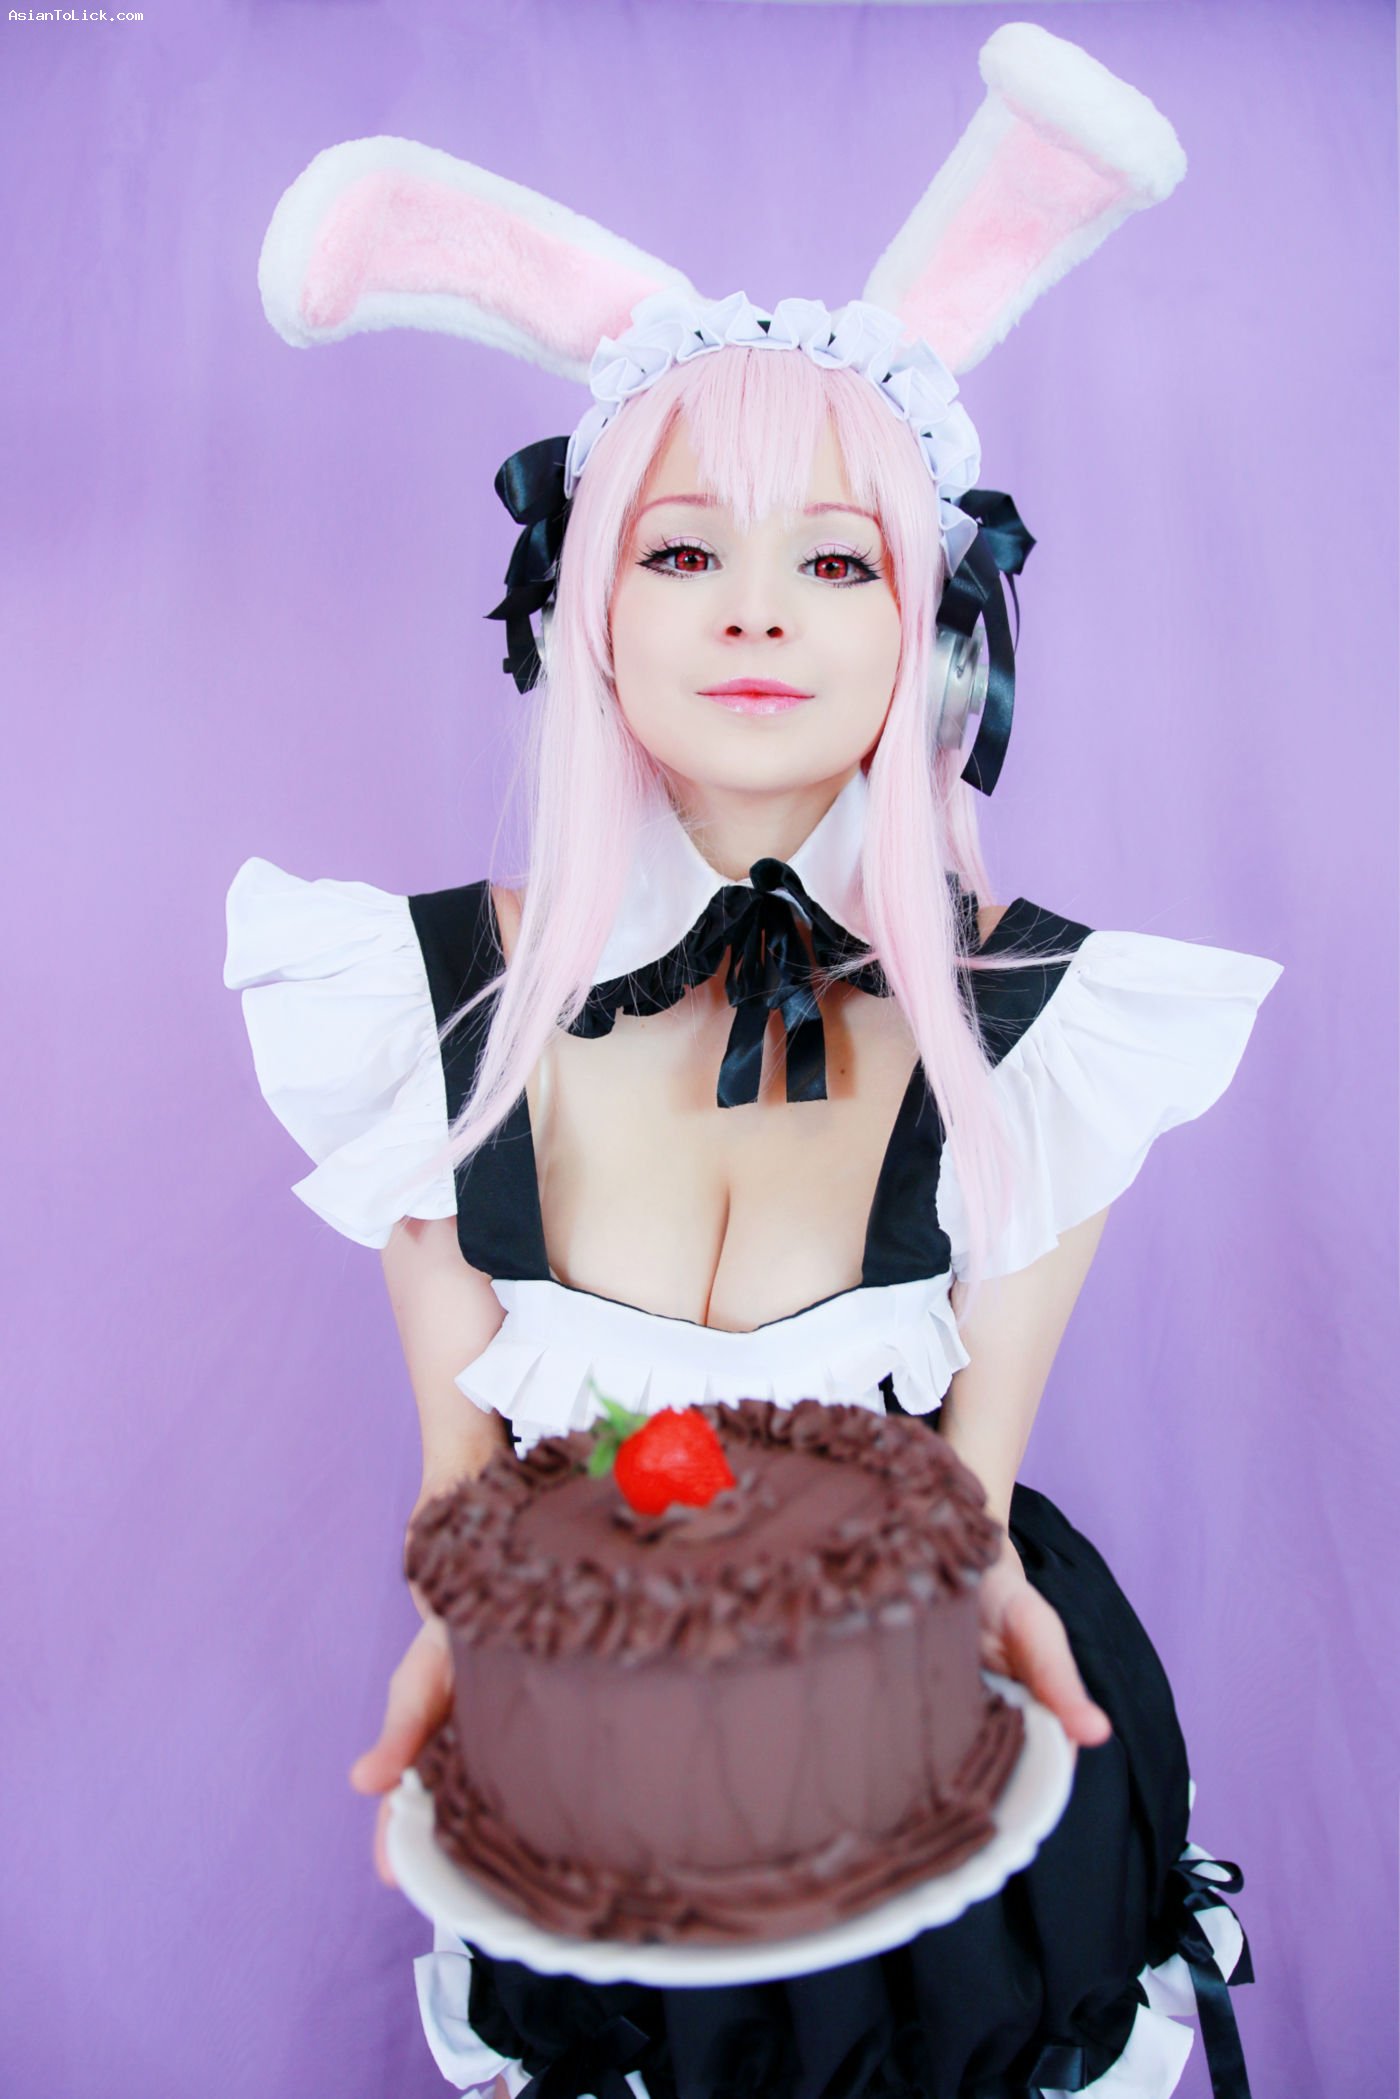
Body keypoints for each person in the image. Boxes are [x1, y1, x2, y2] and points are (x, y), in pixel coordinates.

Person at [225, 26, 1279, 2097]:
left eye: (838, 557)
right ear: (584, 604)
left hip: (947, 1772)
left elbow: (965, 1497)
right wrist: (468, 1667)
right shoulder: (422, 998)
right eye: (686, 549)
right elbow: (468, 1493)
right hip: (591, 1767)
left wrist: (968, 1636)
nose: (758, 617)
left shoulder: (1042, 1019)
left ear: (934, 623)